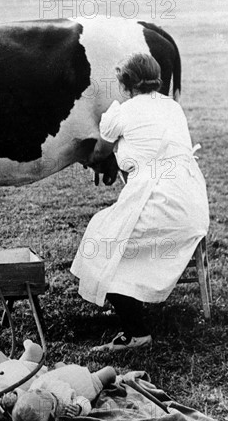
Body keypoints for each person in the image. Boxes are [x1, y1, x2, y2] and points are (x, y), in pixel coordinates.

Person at [71, 52, 209, 351]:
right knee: (113, 232)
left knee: (103, 238)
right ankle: (129, 297)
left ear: (124, 85)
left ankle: (137, 332)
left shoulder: (120, 113)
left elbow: (99, 154)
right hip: (191, 201)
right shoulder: (172, 107)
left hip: (160, 198)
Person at [12, 364, 117, 421]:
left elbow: (25, 397)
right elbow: (82, 400)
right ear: (53, 413)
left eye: (36, 392)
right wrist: (79, 408)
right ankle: (112, 374)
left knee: (60, 367)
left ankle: (62, 365)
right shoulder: (65, 405)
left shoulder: (35, 389)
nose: (39, 390)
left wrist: (15, 395)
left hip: (64, 373)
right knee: (109, 373)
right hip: (86, 381)